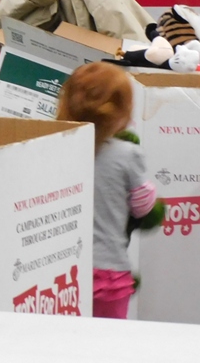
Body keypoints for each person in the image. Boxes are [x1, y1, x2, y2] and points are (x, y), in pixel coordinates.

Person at [56, 61, 159, 319]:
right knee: (110, 338)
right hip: (109, 270)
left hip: (62, 273)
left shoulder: (55, 150)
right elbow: (142, 207)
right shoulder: (128, 154)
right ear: (122, 113)